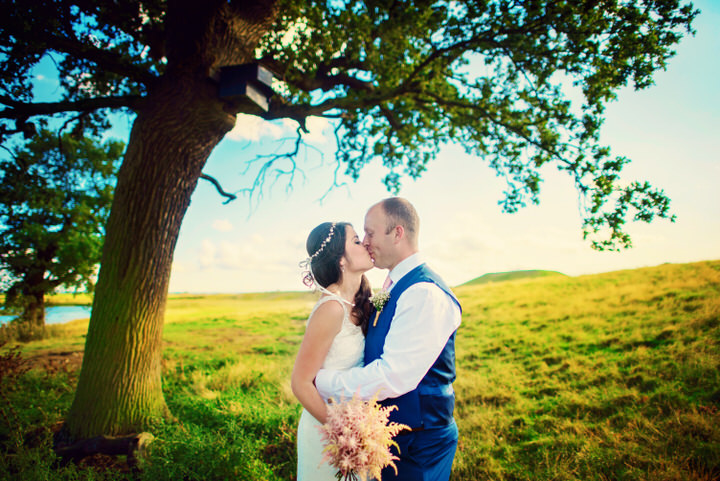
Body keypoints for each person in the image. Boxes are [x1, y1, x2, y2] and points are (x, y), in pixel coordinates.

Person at [315, 197, 462, 481]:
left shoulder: (423, 292)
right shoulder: (394, 285)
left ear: (397, 233)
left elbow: (393, 376)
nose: (366, 241)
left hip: (419, 445)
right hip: (393, 438)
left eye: (370, 233)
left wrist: (322, 381)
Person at [292, 221, 374, 480]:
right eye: (357, 241)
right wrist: (341, 430)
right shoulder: (332, 309)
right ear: (341, 260)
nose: (367, 244)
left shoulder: (360, 300)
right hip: (328, 429)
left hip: (359, 425)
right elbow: (300, 382)